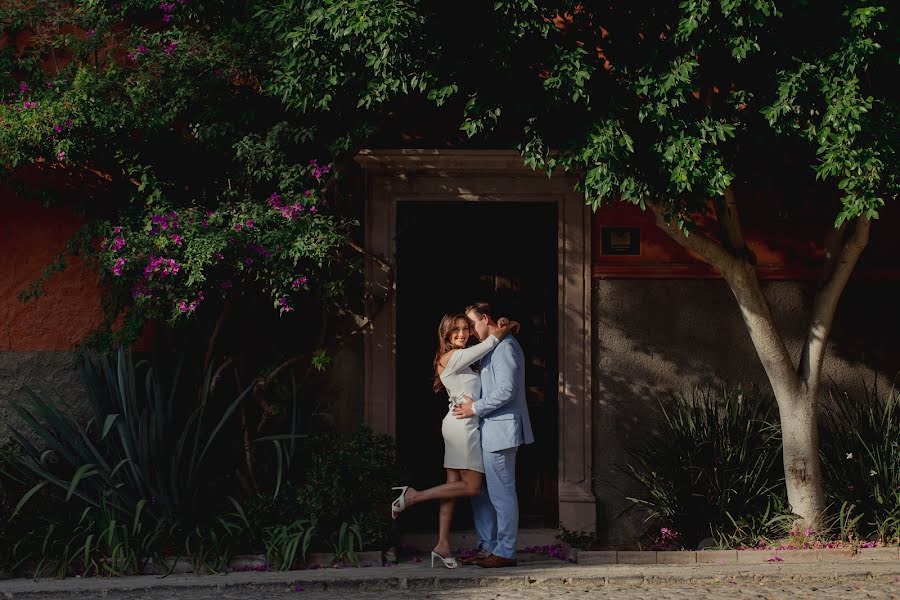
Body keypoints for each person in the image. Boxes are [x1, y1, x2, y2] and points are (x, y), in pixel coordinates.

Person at [390, 313, 516, 569]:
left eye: (465, 328)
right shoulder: (452, 357)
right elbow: (490, 344)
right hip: (463, 428)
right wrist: (510, 325)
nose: (462, 333)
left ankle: (442, 545)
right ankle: (413, 497)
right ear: (445, 334)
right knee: (471, 488)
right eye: (455, 330)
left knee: (452, 488)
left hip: (460, 423)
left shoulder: (462, 357)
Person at [451, 301, 534, 568]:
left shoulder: (506, 348)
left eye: (473, 324)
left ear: (486, 318)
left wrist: (474, 408)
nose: (472, 331)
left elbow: (506, 391)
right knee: (482, 493)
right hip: (487, 431)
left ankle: (506, 551)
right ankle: (488, 546)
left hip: (502, 431)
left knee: (502, 493)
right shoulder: (494, 346)